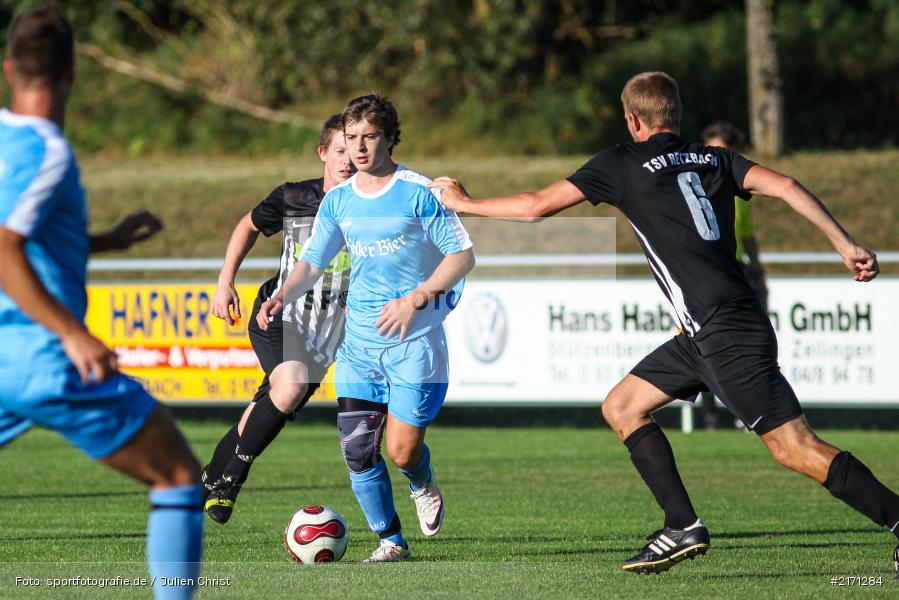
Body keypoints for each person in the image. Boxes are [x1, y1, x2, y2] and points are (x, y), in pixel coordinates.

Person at [431, 71, 896, 575]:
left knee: (794, 448)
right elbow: (784, 185)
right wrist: (844, 244)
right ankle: (682, 525)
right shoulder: (714, 158)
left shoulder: (621, 163)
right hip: (706, 331)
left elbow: (536, 207)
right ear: (676, 114)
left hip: (724, 332)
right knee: (623, 406)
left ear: (633, 120)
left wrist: (465, 203)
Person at [0, 6, 203, 599]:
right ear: (73, 74)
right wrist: (71, 331)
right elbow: (6, 248)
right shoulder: (49, 151)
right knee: (178, 477)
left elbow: (21, 236)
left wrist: (104, 242)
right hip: (45, 360)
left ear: (10, 69)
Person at [258, 94, 475, 562]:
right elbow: (312, 262)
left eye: (369, 137)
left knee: (399, 451)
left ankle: (421, 478)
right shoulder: (338, 199)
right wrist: (281, 294)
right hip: (358, 343)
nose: (358, 147)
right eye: (351, 137)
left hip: (413, 342)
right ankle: (391, 541)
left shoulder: (419, 192)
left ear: (390, 138)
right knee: (358, 450)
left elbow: (462, 257)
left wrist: (414, 300)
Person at [201, 115, 354, 524]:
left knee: (265, 409)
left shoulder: (375, 207)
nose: (348, 159)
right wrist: (225, 280)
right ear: (323, 152)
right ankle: (231, 480)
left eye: (356, 149)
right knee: (288, 387)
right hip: (278, 315)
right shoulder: (294, 198)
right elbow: (247, 226)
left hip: (328, 338)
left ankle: (208, 480)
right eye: (339, 149)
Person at [698, 121, 767, 429]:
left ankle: (749, 412)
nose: (717, 156)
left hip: (737, 273)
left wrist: (759, 269)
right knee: (704, 346)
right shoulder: (695, 187)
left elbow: (747, 234)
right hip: (706, 274)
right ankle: (710, 413)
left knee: (744, 346)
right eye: (712, 150)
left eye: (724, 151)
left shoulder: (740, 190)